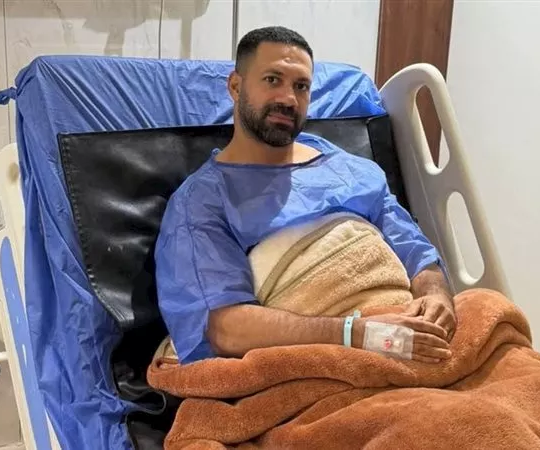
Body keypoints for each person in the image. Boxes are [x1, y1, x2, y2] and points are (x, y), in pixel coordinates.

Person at [154, 26, 457, 365]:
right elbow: (225, 329)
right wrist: (356, 334)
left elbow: (414, 249)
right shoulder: (203, 202)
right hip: (327, 354)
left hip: (403, 329)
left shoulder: (352, 169)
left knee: (491, 311)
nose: (288, 99)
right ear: (235, 87)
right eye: (273, 80)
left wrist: (436, 295)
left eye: (301, 86)